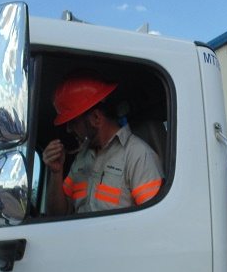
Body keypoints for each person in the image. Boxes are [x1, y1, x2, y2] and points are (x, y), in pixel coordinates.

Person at [44, 74, 163, 215]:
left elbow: (153, 219)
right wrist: (56, 173)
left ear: (96, 118)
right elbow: (57, 215)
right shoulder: (81, 158)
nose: (69, 129)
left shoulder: (138, 154)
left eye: (73, 122)